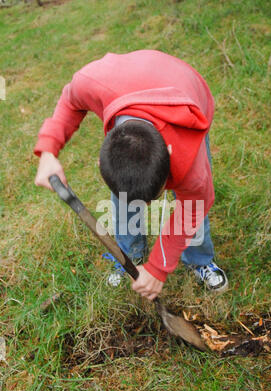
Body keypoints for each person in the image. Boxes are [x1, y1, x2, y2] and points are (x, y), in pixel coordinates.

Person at [34, 49, 228, 301]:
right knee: (125, 195)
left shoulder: (191, 162)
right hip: (123, 81)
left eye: (152, 197)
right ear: (99, 161)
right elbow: (70, 101)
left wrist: (158, 268)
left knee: (193, 201)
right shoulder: (91, 82)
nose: (145, 206)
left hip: (186, 93)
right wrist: (48, 150)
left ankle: (199, 260)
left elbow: (192, 208)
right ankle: (130, 254)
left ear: (169, 153)